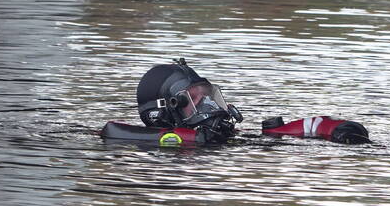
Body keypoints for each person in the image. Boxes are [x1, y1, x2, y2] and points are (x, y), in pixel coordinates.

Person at [100, 58, 371, 146]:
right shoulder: (152, 141)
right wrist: (190, 139)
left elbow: (299, 128)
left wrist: (337, 128)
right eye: (192, 100)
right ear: (163, 111)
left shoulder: (223, 136)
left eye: (206, 95)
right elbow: (112, 130)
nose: (207, 105)